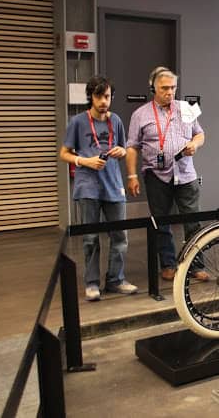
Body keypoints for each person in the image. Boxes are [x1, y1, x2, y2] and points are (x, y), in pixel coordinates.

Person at [59, 76, 138, 300]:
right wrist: (85, 161)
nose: (104, 101)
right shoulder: (77, 122)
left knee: (120, 237)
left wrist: (122, 152)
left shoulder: (117, 121)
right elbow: (64, 153)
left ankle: (116, 280)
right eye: (99, 96)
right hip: (88, 187)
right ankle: (92, 283)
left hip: (113, 185)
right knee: (90, 238)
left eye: (107, 96)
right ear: (91, 97)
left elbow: (123, 149)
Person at [126, 66, 207, 281]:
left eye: (173, 88)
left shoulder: (187, 108)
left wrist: (194, 145)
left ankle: (196, 265)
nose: (169, 92)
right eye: (164, 88)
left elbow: (200, 134)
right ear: (153, 87)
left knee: (193, 221)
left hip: (186, 174)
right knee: (162, 222)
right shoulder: (140, 114)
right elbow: (132, 147)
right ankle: (168, 264)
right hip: (156, 176)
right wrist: (132, 176)